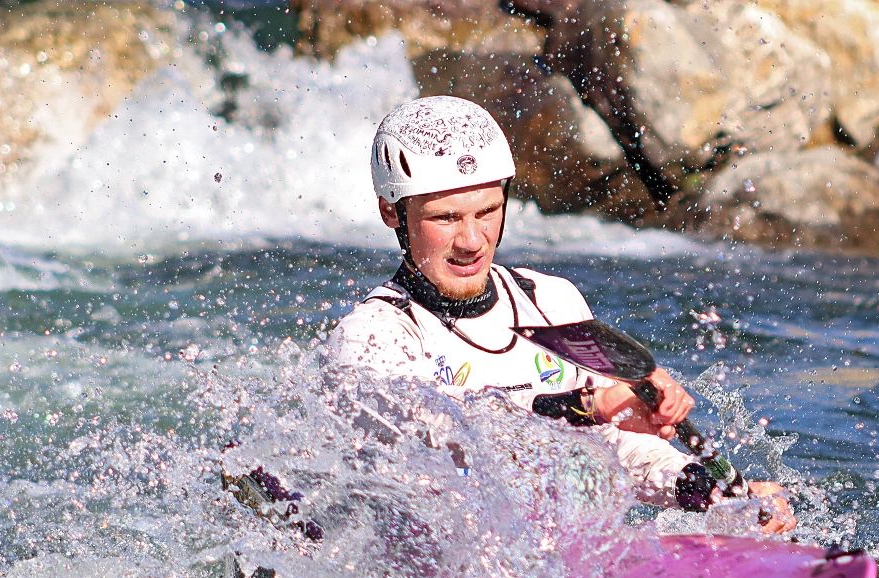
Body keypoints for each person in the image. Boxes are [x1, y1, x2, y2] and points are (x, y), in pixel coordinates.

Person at [326, 95, 795, 531]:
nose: (472, 241)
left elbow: (612, 450)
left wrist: (705, 489)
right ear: (392, 213)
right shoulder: (371, 337)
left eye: (487, 211)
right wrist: (588, 408)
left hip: (553, 553)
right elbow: (452, 442)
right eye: (446, 218)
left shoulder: (550, 301)